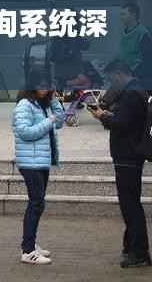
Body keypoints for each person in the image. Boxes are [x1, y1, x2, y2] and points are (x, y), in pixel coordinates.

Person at [90, 59, 150, 268]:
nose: (110, 83)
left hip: (128, 155)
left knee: (130, 205)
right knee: (130, 203)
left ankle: (139, 252)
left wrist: (102, 116)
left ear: (118, 74)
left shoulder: (131, 94)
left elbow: (121, 124)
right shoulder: (136, 90)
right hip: (130, 154)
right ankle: (131, 247)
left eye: (111, 79)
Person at [12, 75, 64, 265]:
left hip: (41, 160)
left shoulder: (43, 104)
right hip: (30, 162)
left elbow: (60, 121)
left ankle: (30, 243)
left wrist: (54, 99)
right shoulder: (24, 105)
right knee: (36, 203)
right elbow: (24, 132)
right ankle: (28, 251)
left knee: (38, 203)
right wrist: (48, 121)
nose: (45, 88)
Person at [119, 0, 152, 90]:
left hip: (138, 79)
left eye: (124, 14)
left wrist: (134, 75)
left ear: (133, 15)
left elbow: (147, 60)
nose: (121, 17)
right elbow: (124, 54)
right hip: (125, 77)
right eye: (121, 14)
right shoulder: (124, 33)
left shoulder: (143, 34)